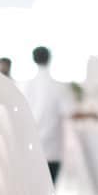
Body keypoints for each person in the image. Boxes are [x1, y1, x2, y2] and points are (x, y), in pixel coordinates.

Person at [24, 45, 73, 183]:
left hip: (31, 146)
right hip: (52, 148)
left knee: (33, 189)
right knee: (49, 190)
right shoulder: (58, 86)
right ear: (50, 59)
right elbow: (69, 112)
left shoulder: (26, 85)